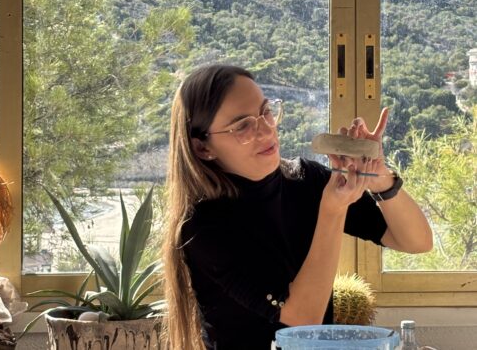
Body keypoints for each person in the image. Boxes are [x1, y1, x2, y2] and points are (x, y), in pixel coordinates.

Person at [163, 64, 432, 350]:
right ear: (203, 148)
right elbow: (302, 319)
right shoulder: (204, 226)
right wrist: (333, 210)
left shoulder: (306, 179)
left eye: (266, 112)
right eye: (242, 126)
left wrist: (380, 179)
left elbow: (416, 241)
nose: (266, 130)